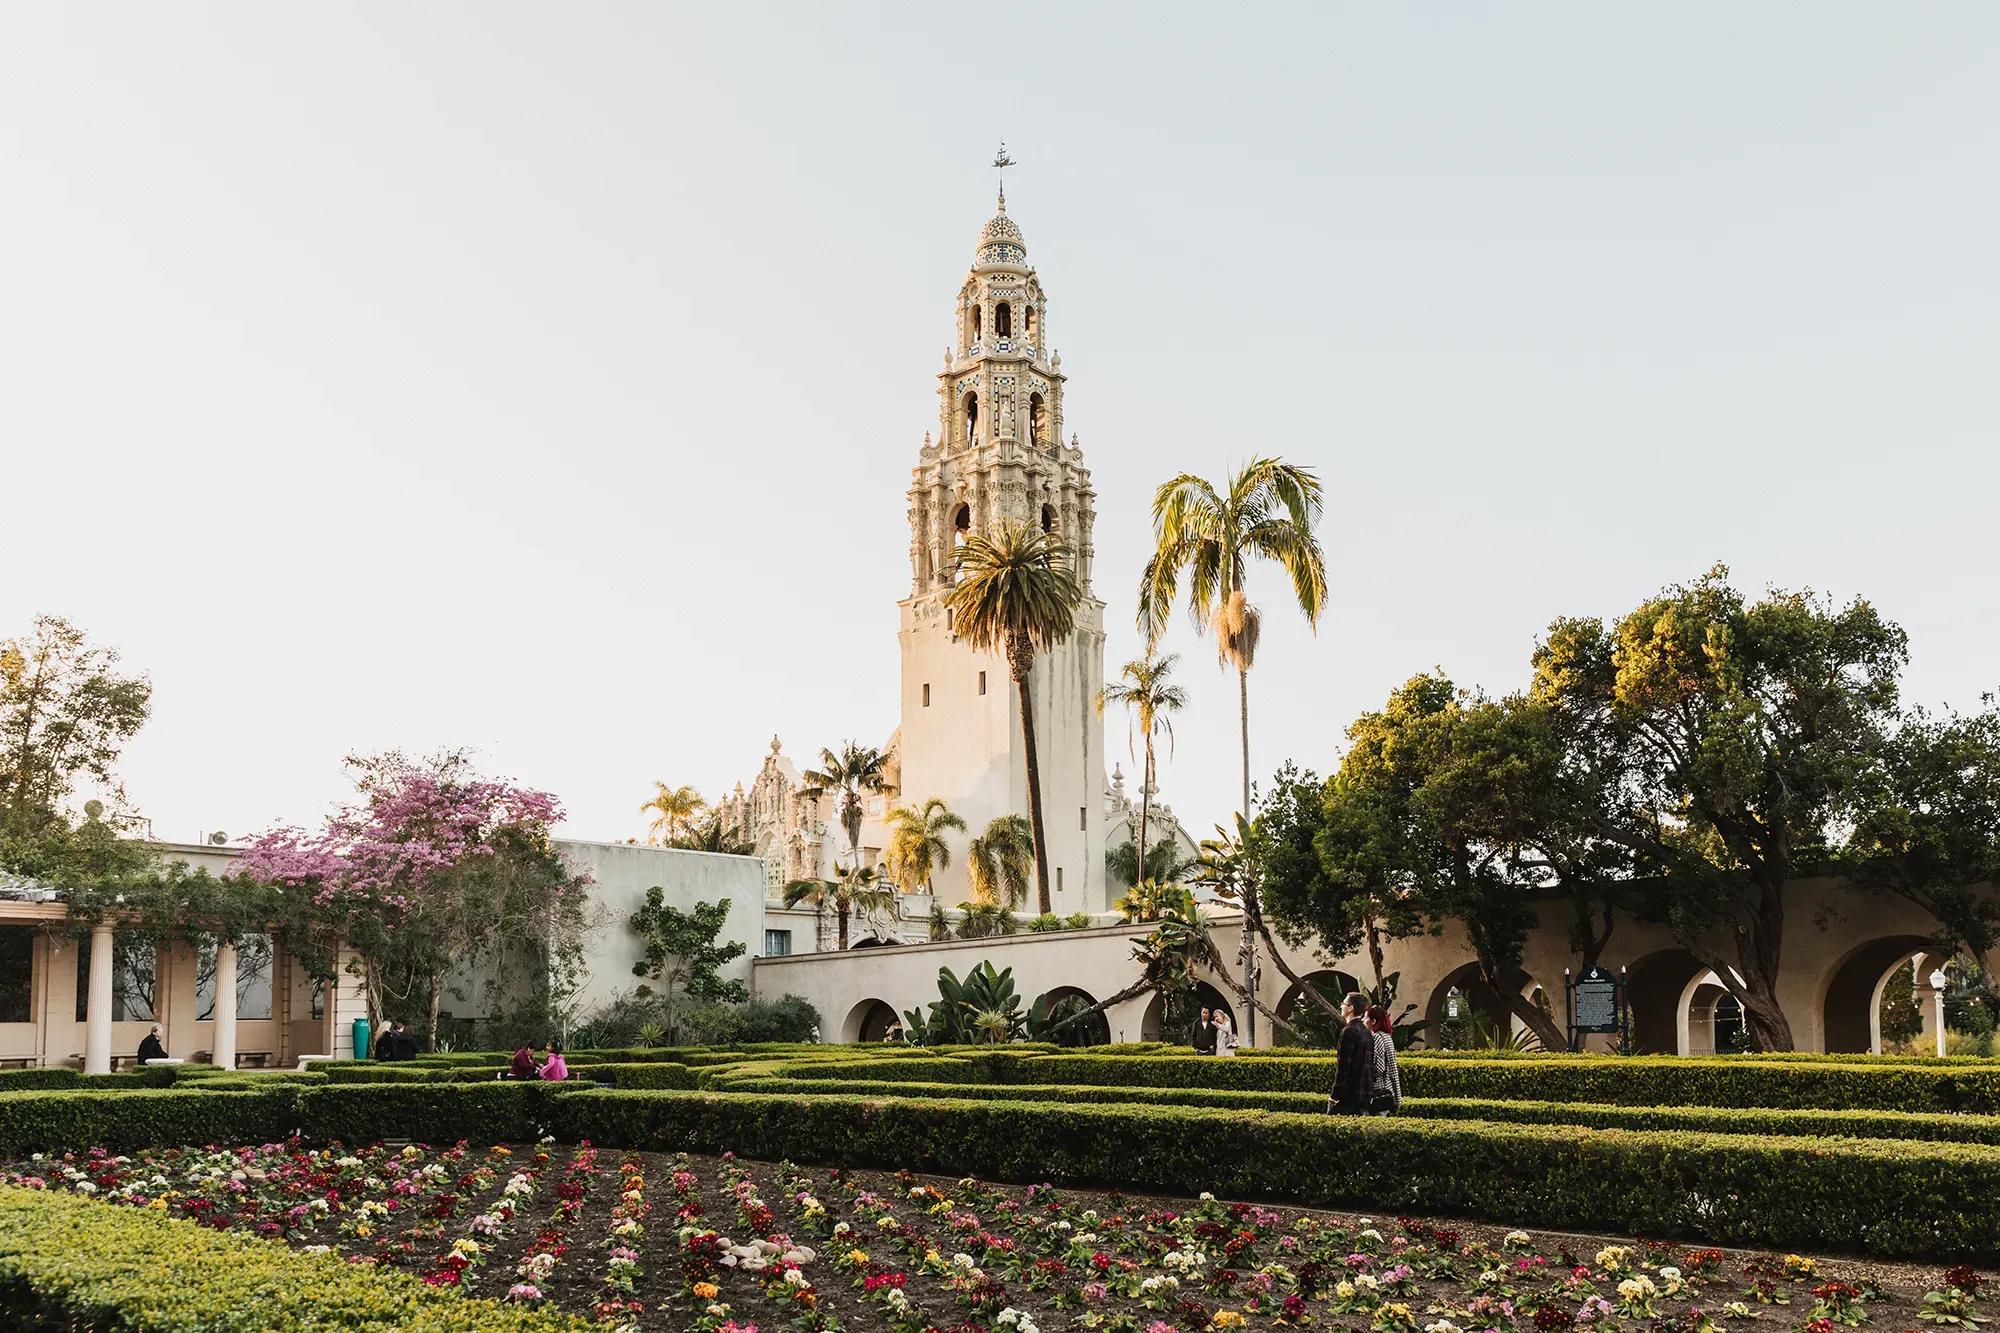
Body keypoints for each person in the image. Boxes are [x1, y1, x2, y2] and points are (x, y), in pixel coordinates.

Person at [1329, 992, 1373, 1114]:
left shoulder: (1349, 1031)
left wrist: (1334, 1095)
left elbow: (1343, 1067)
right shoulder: (1366, 1032)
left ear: (1351, 1008)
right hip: (1365, 1094)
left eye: (1343, 1003)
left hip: (1349, 1096)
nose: (1341, 1006)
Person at [1366, 1003, 1402, 1114]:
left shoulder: (1376, 1037)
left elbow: (1379, 1068)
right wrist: (1398, 1097)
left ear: (1373, 1021)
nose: (1363, 1019)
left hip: (1378, 1091)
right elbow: (1393, 1069)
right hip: (1387, 1091)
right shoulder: (1387, 1036)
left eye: (1366, 1017)